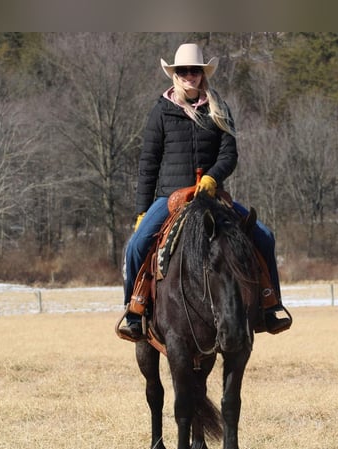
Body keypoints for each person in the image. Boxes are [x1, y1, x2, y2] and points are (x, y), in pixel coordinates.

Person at [118, 43, 291, 342]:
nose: (189, 76)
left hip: (211, 195)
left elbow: (229, 154)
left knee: (264, 236)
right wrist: (142, 211)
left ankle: (268, 303)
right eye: (183, 71)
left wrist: (212, 178)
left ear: (202, 74)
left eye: (195, 71)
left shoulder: (218, 108)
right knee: (136, 245)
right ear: (175, 74)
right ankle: (135, 310)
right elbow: (148, 164)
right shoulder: (160, 111)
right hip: (169, 196)